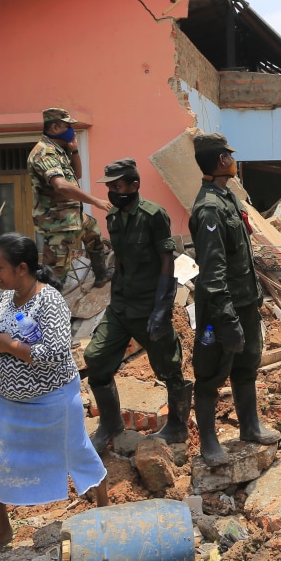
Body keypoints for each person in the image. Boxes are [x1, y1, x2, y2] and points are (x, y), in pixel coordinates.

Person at [0, 233, 109, 560]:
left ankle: (105, 516)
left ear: (22, 268)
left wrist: (8, 345)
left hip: (52, 399)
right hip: (9, 401)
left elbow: (54, 353)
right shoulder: (7, 299)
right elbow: (0, 341)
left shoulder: (48, 301)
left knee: (77, 453)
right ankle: (1, 530)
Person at [84, 159, 190, 452]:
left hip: (149, 303)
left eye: (117, 186)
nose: (112, 192)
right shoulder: (114, 217)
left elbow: (167, 259)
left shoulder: (153, 215)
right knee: (96, 356)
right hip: (121, 305)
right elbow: (119, 256)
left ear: (134, 185)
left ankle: (178, 426)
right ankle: (110, 424)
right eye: (109, 187)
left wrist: (162, 307)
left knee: (169, 365)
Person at [189, 133, 280, 467]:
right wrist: (226, 317)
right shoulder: (210, 207)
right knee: (211, 373)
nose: (234, 160)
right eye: (230, 156)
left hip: (244, 302)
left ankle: (250, 427)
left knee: (247, 365)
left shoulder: (228, 198)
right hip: (220, 308)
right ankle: (210, 442)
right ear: (221, 160)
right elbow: (213, 271)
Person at [28, 107, 112, 286]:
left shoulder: (59, 150)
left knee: (92, 230)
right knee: (55, 275)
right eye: (68, 126)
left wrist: (74, 151)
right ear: (55, 128)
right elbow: (61, 186)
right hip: (56, 223)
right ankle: (49, 308)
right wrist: (96, 201)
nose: (72, 131)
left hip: (71, 217)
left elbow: (77, 175)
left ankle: (101, 275)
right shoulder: (43, 153)